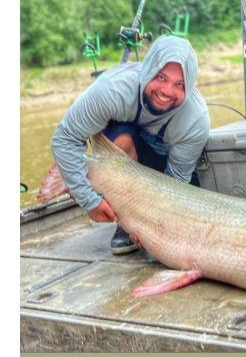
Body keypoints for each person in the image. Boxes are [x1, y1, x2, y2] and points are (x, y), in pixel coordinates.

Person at [50, 35, 210, 255]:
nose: (167, 91)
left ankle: (133, 219)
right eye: (161, 77)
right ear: (149, 69)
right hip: (122, 155)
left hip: (163, 170)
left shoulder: (196, 119)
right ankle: (122, 222)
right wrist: (88, 199)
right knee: (120, 140)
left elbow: (176, 185)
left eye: (179, 84)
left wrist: (152, 225)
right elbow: (65, 138)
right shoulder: (112, 90)